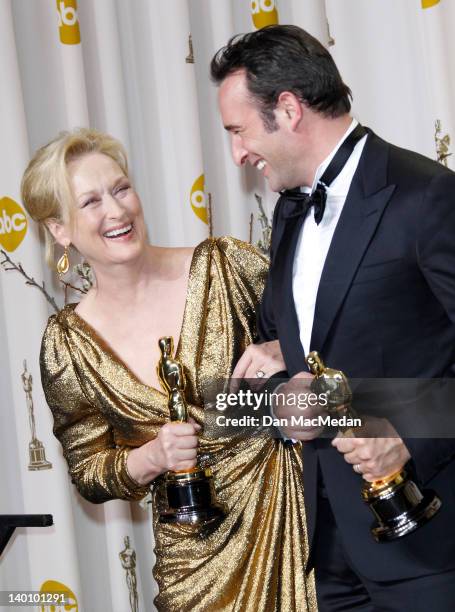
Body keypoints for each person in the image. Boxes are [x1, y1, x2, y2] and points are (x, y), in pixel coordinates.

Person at [211, 24, 455, 612]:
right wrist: (274, 379)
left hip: (428, 546)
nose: (238, 153)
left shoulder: (427, 197)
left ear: (288, 110)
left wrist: (407, 438)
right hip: (329, 552)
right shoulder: (290, 211)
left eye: (238, 131)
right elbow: (313, 367)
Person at [21, 128, 317, 612]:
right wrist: (153, 457)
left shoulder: (226, 267)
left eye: (120, 189)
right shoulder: (68, 345)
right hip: (194, 562)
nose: (116, 212)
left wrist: (289, 350)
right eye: (90, 202)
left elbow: (336, 340)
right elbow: (89, 471)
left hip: (300, 522)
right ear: (59, 229)